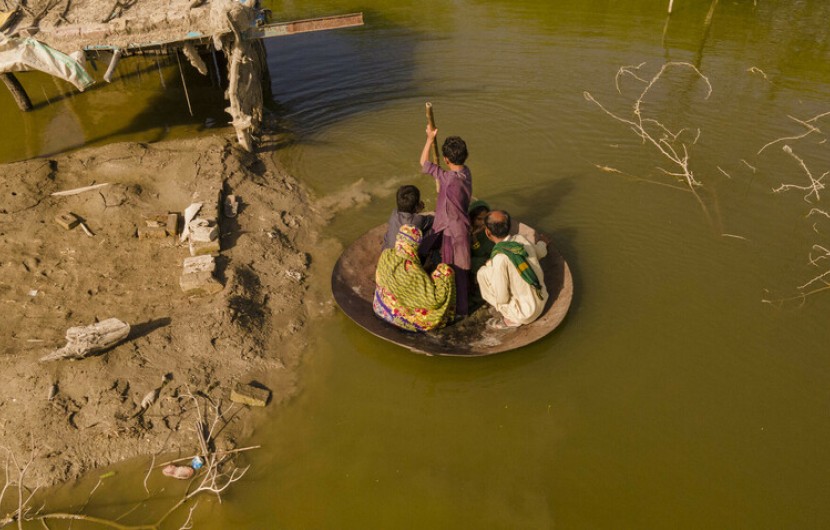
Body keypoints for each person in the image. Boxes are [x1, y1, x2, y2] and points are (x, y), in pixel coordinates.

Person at [418, 125, 472, 317]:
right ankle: (462, 308)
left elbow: (423, 162)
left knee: (450, 268)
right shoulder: (466, 173)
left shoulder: (447, 178)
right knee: (462, 268)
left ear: (447, 160)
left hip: (449, 229)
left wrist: (429, 139)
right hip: (462, 226)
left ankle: (451, 306)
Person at [374, 224, 456, 332]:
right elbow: (434, 301)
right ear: (415, 245)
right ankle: (448, 315)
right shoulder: (413, 271)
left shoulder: (387, 254)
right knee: (446, 272)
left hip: (380, 307)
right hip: (404, 320)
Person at [476, 210, 549, 328]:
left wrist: (491, 268)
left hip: (525, 314)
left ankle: (511, 318)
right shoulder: (521, 240)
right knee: (492, 267)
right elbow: (540, 252)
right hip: (542, 299)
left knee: (482, 273)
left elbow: (503, 298)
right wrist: (542, 243)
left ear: (488, 233)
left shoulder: (500, 259)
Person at [382, 185, 433, 250]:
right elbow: (433, 219)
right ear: (416, 206)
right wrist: (419, 210)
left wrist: (416, 209)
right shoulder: (419, 220)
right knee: (431, 230)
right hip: (404, 258)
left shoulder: (394, 213)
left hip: (386, 255)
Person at [468, 199, 494, 308]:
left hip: (486, 259)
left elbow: (481, 253)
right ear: (472, 219)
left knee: (476, 263)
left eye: (485, 218)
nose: (483, 222)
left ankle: (479, 296)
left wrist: (474, 239)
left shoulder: (489, 231)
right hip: (474, 259)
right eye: (479, 219)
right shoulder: (466, 230)